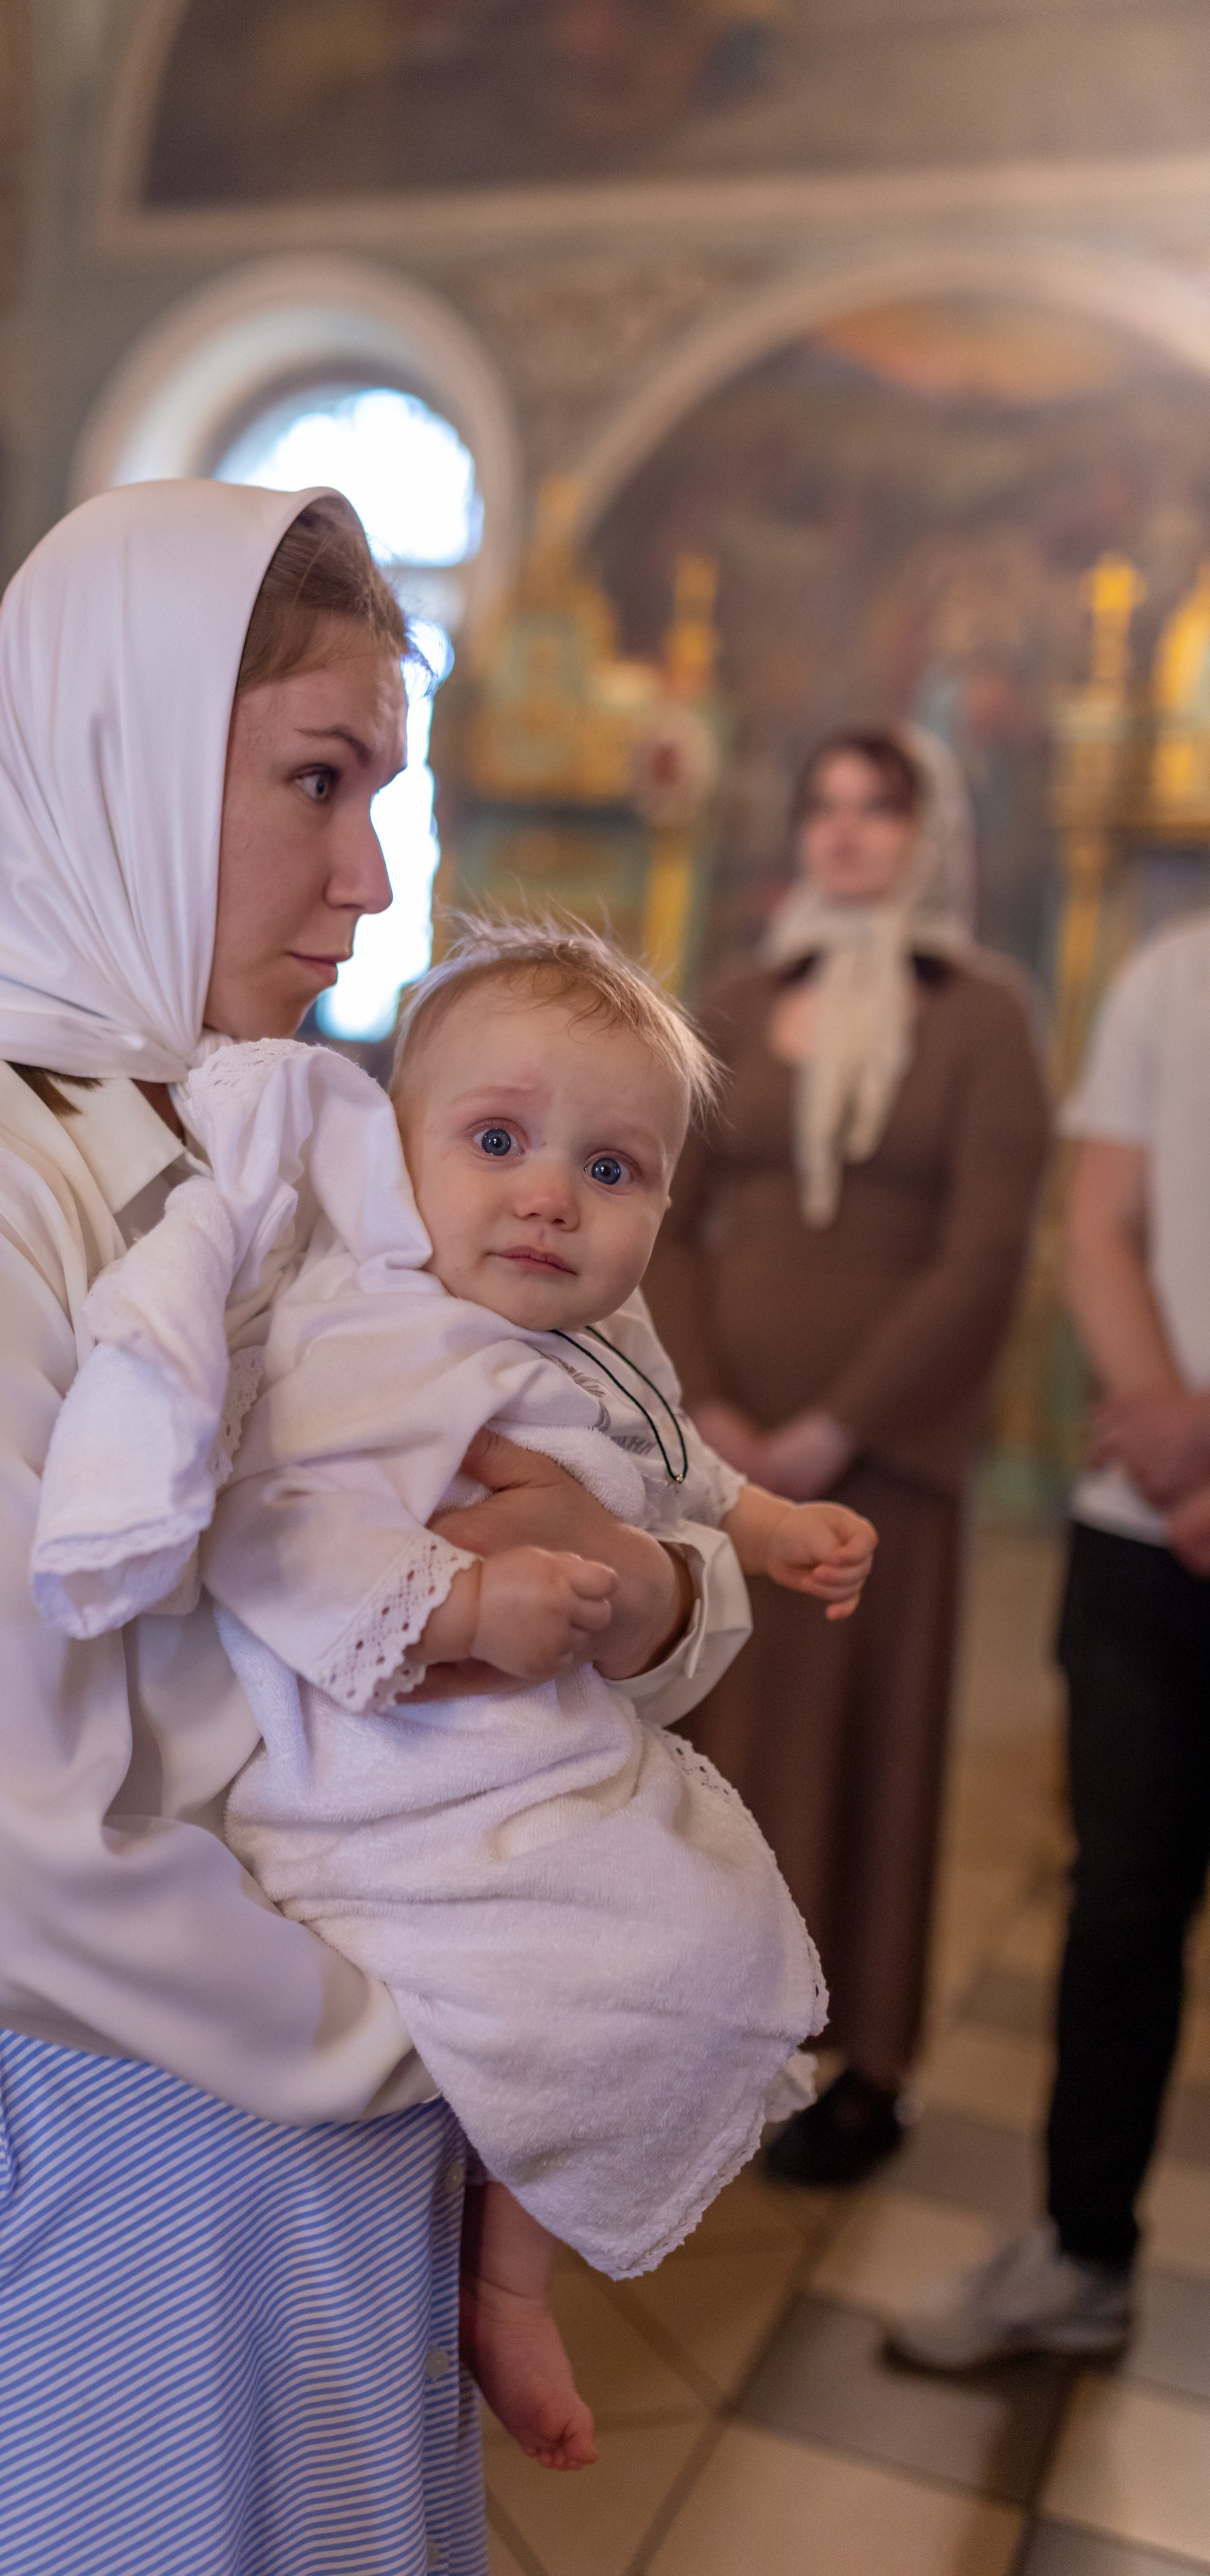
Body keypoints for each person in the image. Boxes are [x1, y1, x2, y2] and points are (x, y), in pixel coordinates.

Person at [0, 484, 734, 2576]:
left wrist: (655, 1597)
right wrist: (431, 2042)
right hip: (103, 2111)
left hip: (302, 2110)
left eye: (385, 795)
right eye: (318, 784)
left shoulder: (273, 1118)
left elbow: (590, 1464)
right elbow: (11, 1861)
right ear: (124, 760)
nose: (370, 879)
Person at [31, 922, 875, 2469]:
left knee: (680, 1938)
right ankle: (502, 2274)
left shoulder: (596, 1337)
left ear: (661, 1206)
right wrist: (468, 1602)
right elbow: (268, 1529)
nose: (550, 1195)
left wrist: (756, 1531)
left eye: (609, 1170)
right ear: (399, 1155)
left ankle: (506, 2267)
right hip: (386, 1759)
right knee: (648, 1951)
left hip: (533, 1743)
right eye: (496, 1142)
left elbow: (676, 1465)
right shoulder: (371, 1334)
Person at [645, 724, 1051, 2186]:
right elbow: (663, 1211)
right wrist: (712, 1411)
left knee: (865, 1751)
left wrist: (836, 1427)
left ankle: (857, 2058)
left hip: (882, 1463)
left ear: (925, 834)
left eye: (878, 812)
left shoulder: (982, 1017)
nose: (845, 836)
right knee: (727, 1747)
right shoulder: (742, 1000)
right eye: (824, 808)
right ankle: (705, 2031)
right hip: (728, 1455)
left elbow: (982, 1253)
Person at [894, 909, 1210, 2367]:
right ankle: (1082, 2249)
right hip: (1143, 1532)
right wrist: (1170, 1443)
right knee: (1117, 1911)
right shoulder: (1168, 972)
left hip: (1171, 1477)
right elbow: (1096, 1222)